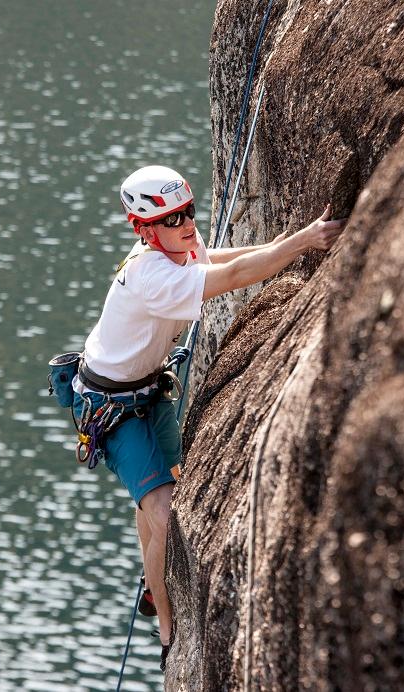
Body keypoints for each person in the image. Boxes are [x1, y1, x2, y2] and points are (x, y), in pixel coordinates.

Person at [72, 165, 345, 672]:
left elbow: (215, 259)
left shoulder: (176, 248)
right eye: (173, 218)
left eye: (189, 212)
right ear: (144, 229)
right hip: (113, 409)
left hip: (147, 392)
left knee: (157, 495)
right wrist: (303, 243)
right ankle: (167, 631)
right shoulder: (151, 272)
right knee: (166, 510)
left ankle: (154, 590)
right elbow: (234, 278)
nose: (187, 225)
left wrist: (284, 241)